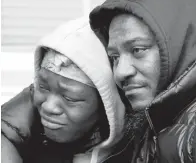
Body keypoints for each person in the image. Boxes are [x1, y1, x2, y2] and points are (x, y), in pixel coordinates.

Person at [89, 0, 196, 162]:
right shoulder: (160, 109)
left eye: (137, 50)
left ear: (182, 43)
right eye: (114, 57)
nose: (120, 72)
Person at [1, 17, 126, 163]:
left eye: (69, 98)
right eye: (42, 87)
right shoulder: (24, 137)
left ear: (107, 106)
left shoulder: (141, 150)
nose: (48, 106)